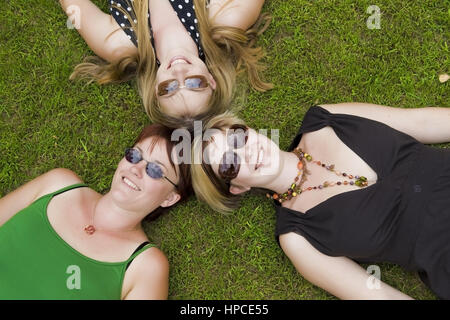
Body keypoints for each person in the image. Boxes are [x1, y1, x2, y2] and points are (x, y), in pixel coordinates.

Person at [190, 103, 450, 299]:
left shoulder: (324, 118)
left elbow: (420, 121)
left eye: (238, 137)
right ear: (237, 187)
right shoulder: (298, 237)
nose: (246, 152)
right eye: (230, 164)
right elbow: (375, 295)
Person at [0, 123, 191, 299]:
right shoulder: (57, 184)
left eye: (155, 170)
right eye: (135, 156)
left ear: (169, 198)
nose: (136, 169)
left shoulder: (146, 266)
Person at [59, 0, 272, 127]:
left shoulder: (118, 44)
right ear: (211, 80)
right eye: (195, 83)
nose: (179, 73)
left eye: (168, 88)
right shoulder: (225, 20)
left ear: (154, 90)